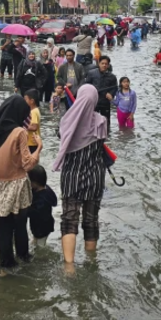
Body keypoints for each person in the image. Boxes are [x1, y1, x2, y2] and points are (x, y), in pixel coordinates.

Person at [0, 96, 42, 270]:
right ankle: (23, 257)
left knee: (3, 226)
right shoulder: (19, 132)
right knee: (19, 224)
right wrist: (38, 148)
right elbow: (27, 164)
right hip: (17, 185)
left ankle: (6, 264)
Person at [53, 86, 108, 265]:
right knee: (91, 218)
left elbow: (60, 136)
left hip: (72, 177)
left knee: (70, 217)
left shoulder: (67, 120)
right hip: (95, 177)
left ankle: (69, 265)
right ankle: (91, 260)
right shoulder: (101, 121)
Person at [85, 56, 118, 134]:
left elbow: (115, 87)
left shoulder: (112, 77)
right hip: (94, 102)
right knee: (91, 121)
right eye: (102, 63)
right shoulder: (91, 73)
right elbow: (87, 85)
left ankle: (106, 136)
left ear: (108, 65)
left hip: (105, 102)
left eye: (106, 64)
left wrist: (111, 94)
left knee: (106, 121)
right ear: (98, 63)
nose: (104, 65)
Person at [27, 165, 57, 247]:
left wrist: (23, 210)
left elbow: (33, 212)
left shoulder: (42, 200)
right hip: (44, 225)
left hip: (42, 228)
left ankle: (42, 258)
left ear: (35, 182)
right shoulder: (47, 189)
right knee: (35, 242)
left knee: (40, 246)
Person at [24, 89, 42, 153]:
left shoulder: (34, 112)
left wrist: (22, 126)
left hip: (32, 142)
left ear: (32, 101)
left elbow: (34, 127)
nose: (24, 101)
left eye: (25, 99)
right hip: (32, 142)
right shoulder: (33, 110)